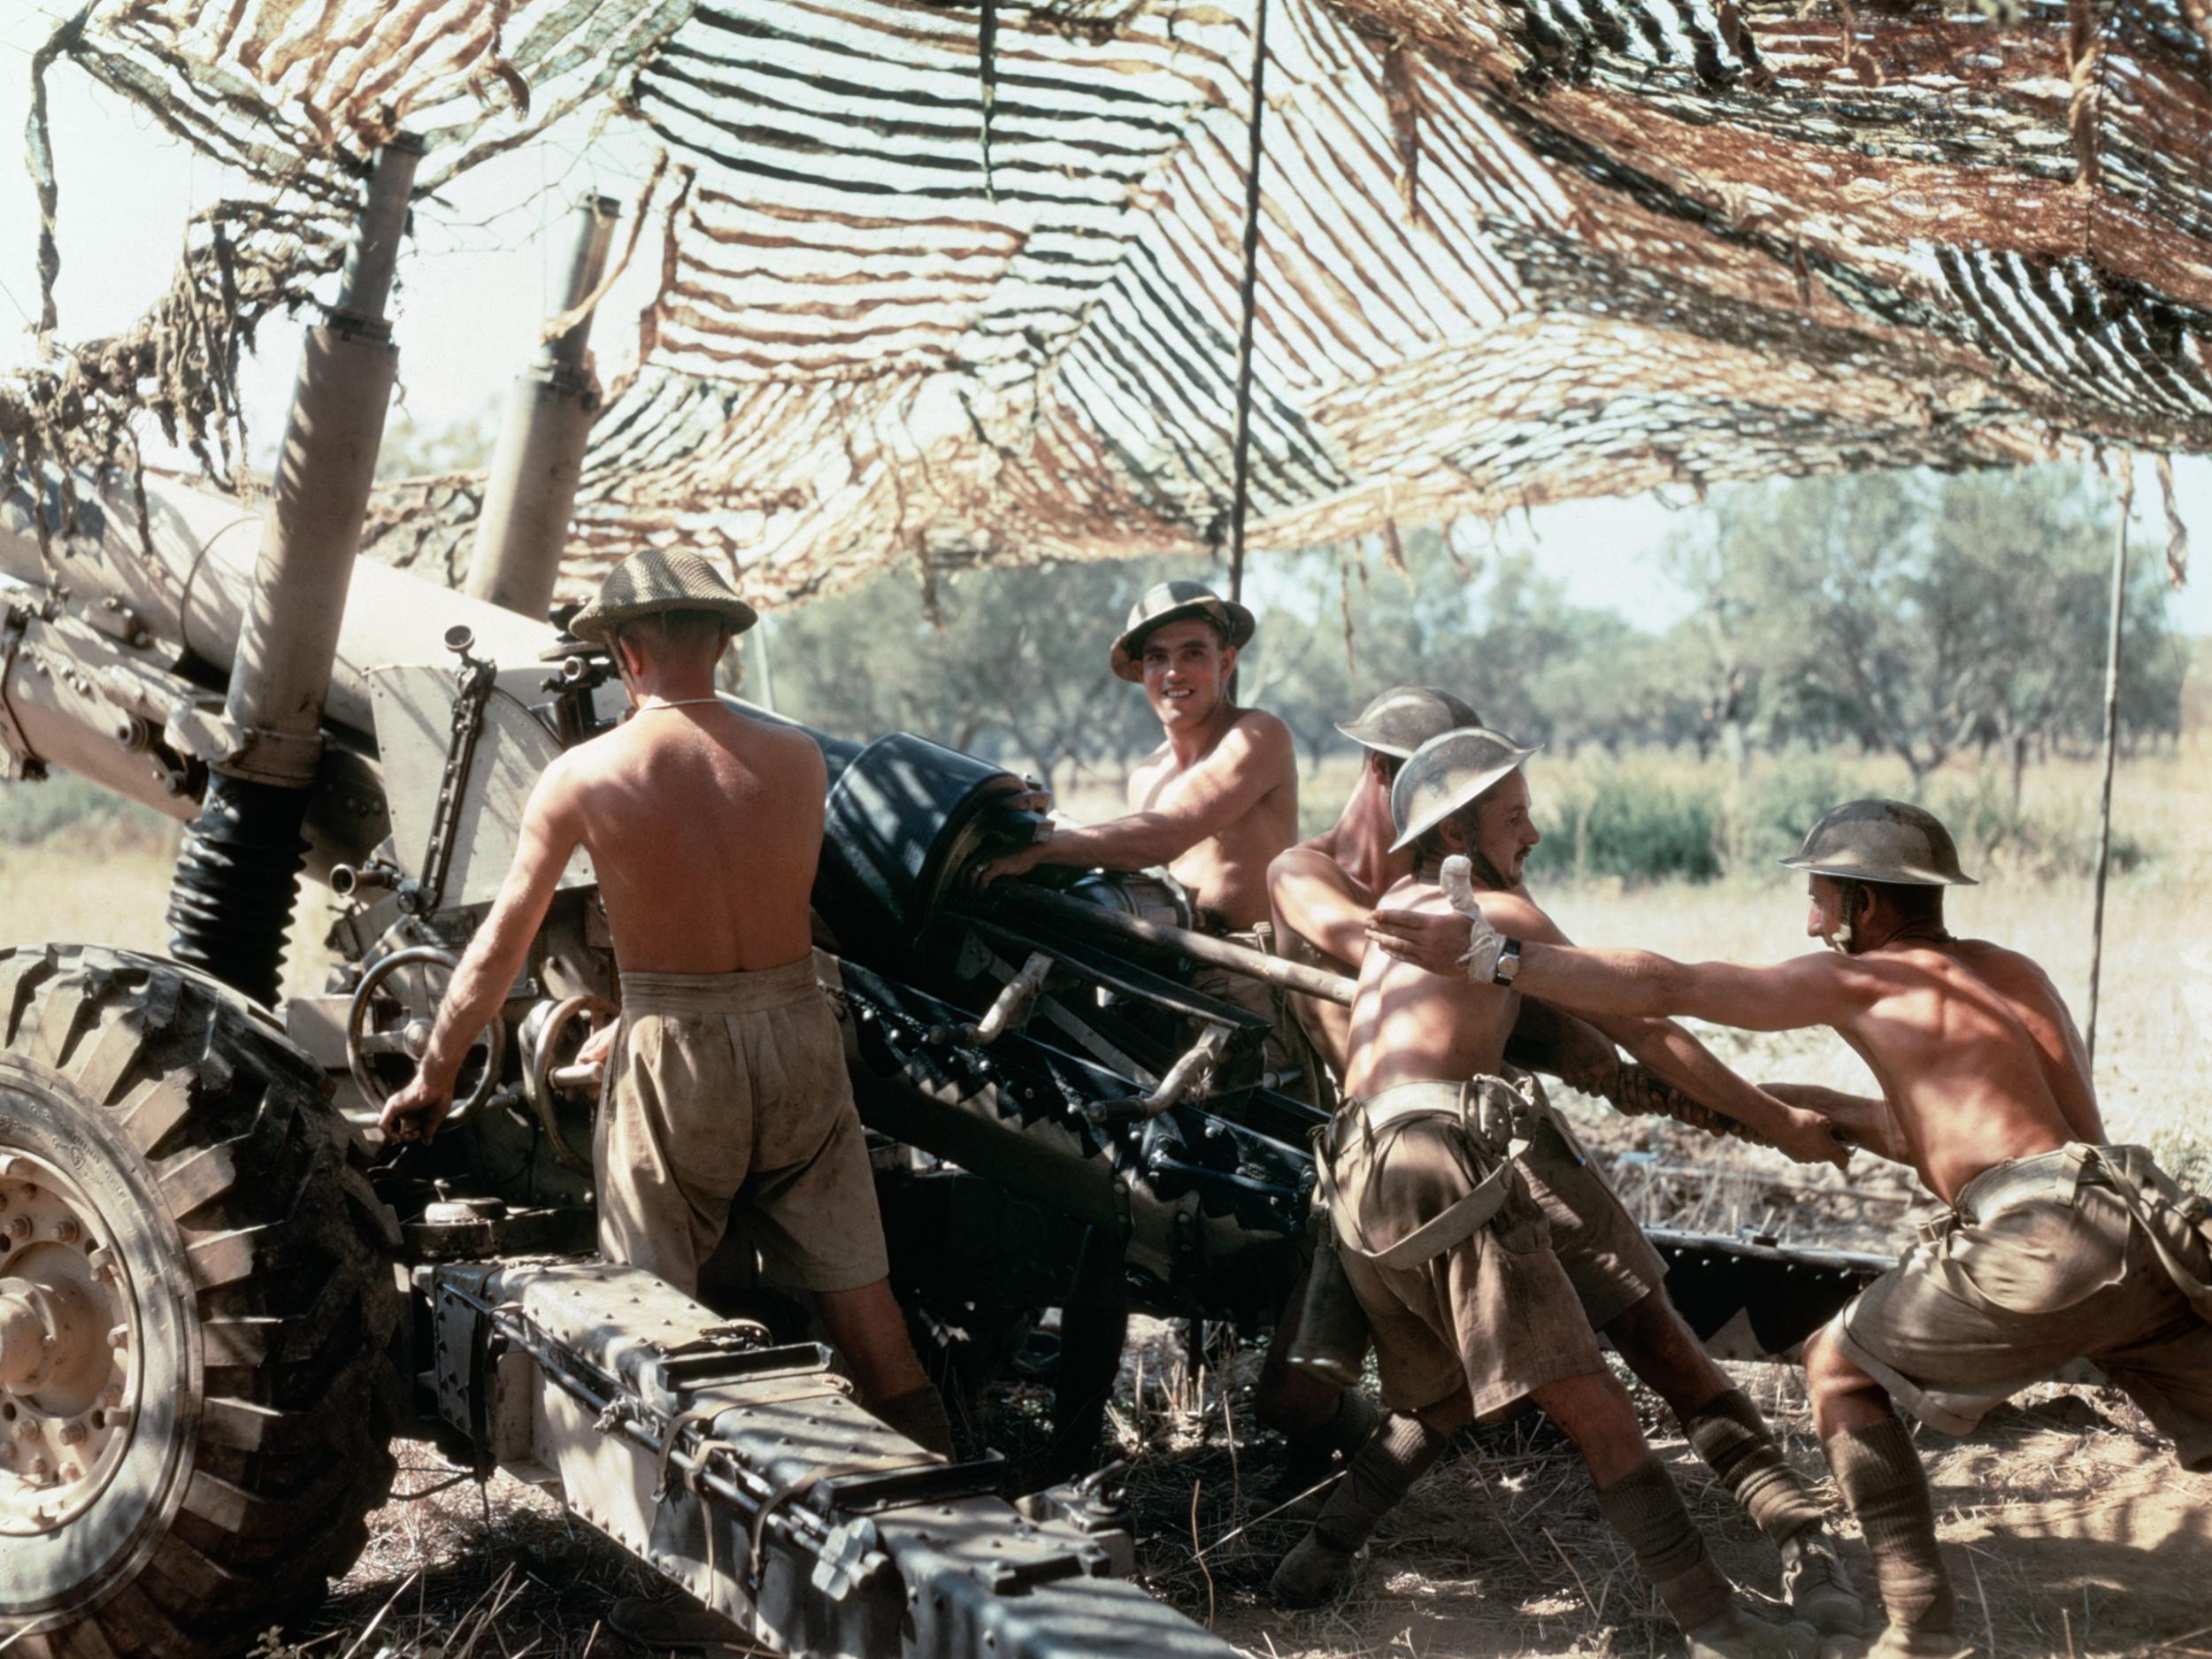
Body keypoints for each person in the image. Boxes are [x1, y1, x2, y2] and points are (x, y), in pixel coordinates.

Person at [1384, 796, 2212, 1659]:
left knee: (1840, 1370)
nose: (1812, 924)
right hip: (2136, 1223)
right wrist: (1803, 1114)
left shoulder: (1865, 976)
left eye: (1821, 898)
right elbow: (2023, 1136)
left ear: (1870, 904)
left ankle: (1919, 1632)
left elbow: (1671, 985)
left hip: (2036, 1236)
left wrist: (1495, 955)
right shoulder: (2010, 972)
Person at [1266, 701, 1863, 1632]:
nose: (1534, 834)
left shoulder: (1400, 913)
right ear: (1455, 833)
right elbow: (1651, 1022)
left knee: (1445, 1395)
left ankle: (1315, 1558)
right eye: (1514, 819)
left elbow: (1544, 1026)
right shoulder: (1485, 910)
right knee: (1601, 1407)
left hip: (1353, 1178)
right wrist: (1778, 1121)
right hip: (1441, 1156)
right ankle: (1722, 1628)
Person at [379, 549, 951, 1460]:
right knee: (866, 1310)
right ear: (723, 644)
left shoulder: (583, 777)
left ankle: (686, 1556)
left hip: (672, 1053)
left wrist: (434, 1075)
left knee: (656, 1325)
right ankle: (937, 1478)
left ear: (626, 654)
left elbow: (500, 948)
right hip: (799, 1034)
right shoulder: (799, 759)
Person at [969, 580, 1319, 1098]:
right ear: (1140, 674)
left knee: (1257, 1138)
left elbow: (1163, 835)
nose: (1173, 672)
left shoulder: (1257, 736)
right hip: (1166, 967)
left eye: (1192, 654)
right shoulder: (1146, 775)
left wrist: (1040, 850)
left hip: (1249, 975)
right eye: (1157, 658)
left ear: (1227, 662)